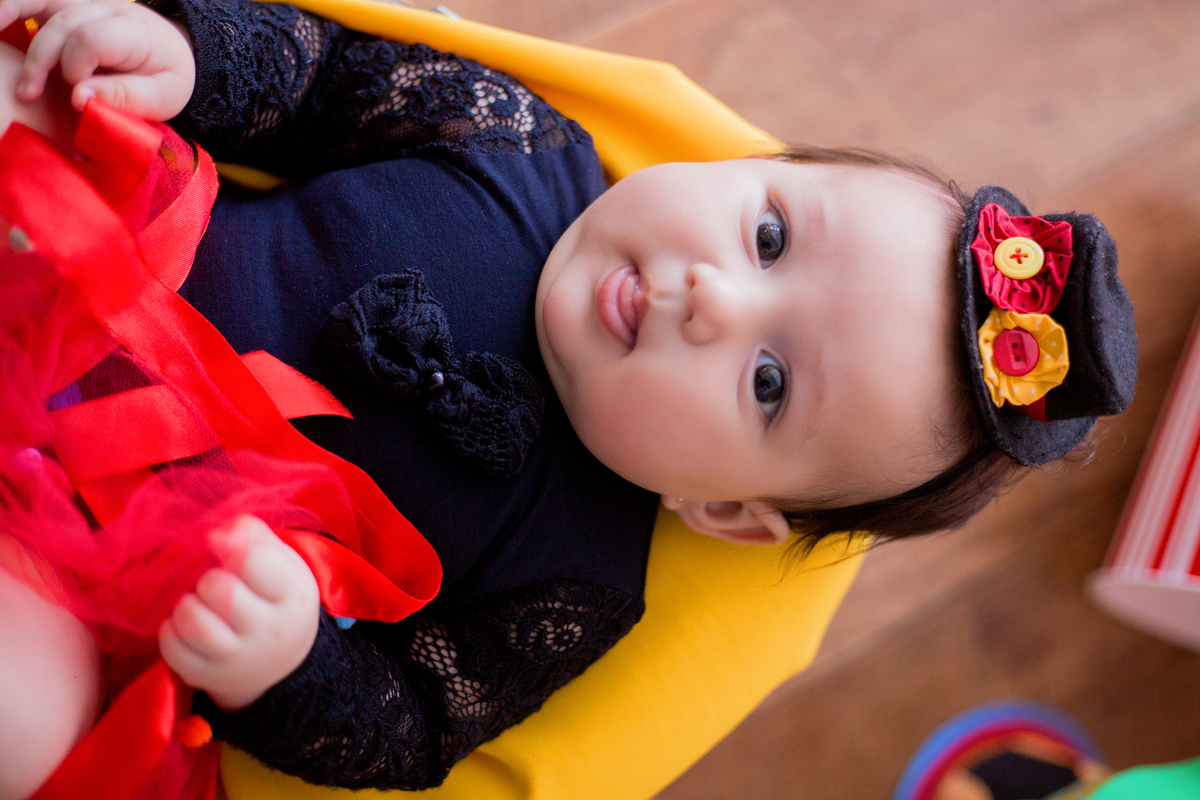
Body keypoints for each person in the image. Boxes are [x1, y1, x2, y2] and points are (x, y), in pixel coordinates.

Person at [0, 0, 1138, 796]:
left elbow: (412, 729)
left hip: (94, 548)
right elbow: (317, 81)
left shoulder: (576, 579)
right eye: (768, 236)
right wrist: (189, 61)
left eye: (770, 381)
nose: (712, 297)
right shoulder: (516, 141)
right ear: (744, 161)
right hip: (84, 256)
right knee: (46, 72)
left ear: (725, 510)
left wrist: (291, 665)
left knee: (32, 707)